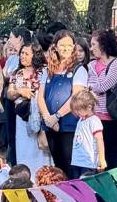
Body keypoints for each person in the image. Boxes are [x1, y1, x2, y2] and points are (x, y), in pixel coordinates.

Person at [38, 31, 88, 172]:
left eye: (69, 45)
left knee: (71, 165)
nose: (66, 48)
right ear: (55, 46)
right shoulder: (48, 69)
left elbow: (76, 96)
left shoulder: (79, 69)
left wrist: (57, 116)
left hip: (69, 125)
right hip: (50, 124)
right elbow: (40, 96)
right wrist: (48, 117)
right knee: (58, 166)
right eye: (62, 45)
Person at [7, 41, 52, 174]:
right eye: (22, 53)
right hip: (22, 116)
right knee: (24, 147)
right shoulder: (17, 73)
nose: (23, 56)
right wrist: (19, 92)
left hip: (40, 115)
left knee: (40, 150)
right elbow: (10, 93)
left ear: (35, 55)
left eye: (27, 53)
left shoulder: (45, 71)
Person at [86, 29, 117, 168]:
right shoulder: (91, 65)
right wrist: (91, 88)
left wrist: (91, 88)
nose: (91, 49)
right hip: (94, 116)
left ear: (103, 44)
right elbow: (89, 86)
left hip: (111, 116)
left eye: (93, 44)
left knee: (112, 155)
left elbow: (105, 85)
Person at [69, 90, 105, 178]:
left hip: (89, 163)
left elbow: (99, 140)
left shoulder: (94, 120)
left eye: (78, 110)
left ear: (89, 107)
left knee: (87, 187)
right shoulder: (81, 120)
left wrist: (102, 159)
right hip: (78, 161)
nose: (77, 113)